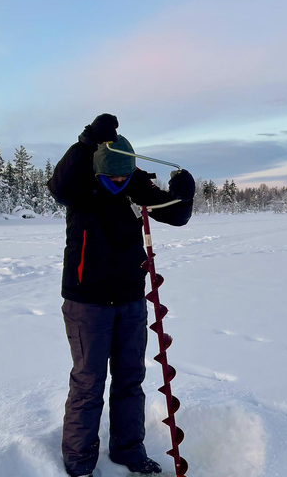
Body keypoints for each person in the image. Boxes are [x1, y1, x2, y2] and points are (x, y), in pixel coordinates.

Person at [48, 114, 195, 477]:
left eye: (123, 174)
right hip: (86, 303)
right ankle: (80, 461)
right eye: (111, 174)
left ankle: (129, 449)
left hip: (130, 301)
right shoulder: (81, 188)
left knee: (130, 379)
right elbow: (58, 185)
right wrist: (85, 141)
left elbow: (175, 215)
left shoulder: (134, 187)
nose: (117, 180)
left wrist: (184, 194)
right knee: (88, 383)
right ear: (98, 167)